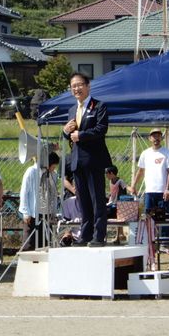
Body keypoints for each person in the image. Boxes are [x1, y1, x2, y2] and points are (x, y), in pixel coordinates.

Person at [62, 72, 112, 247]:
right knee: (82, 201)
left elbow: (101, 129)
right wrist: (65, 131)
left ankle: (99, 236)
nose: (76, 88)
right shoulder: (71, 110)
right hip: (77, 162)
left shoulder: (98, 106)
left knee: (97, 200)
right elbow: (69, 135)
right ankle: (85, 235)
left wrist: (81, 135)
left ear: (88, 86)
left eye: (79, 85)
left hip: (94, 160)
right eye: (73, 86)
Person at [19, 152, 60, 251]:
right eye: (52, 167)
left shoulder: (53, 175)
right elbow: (24, 192)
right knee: (29, 241)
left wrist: (54, 211)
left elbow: (54, 195)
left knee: (45, 243)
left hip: (46, 213)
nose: (53, 169)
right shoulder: (31, 171)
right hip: (32, 213)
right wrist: (26, 212)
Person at [130, 128, 169, 215]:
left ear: (161, 138)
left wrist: (167, 189)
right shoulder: (145, 153)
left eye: (158, 136)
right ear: (150, 138)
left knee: (164, 219)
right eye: (154, 136)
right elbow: (140, 171)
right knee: (149, 218)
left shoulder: (167, 152)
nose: (156, 138)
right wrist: (133, 185)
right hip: (149, 191)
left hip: (163, 191)